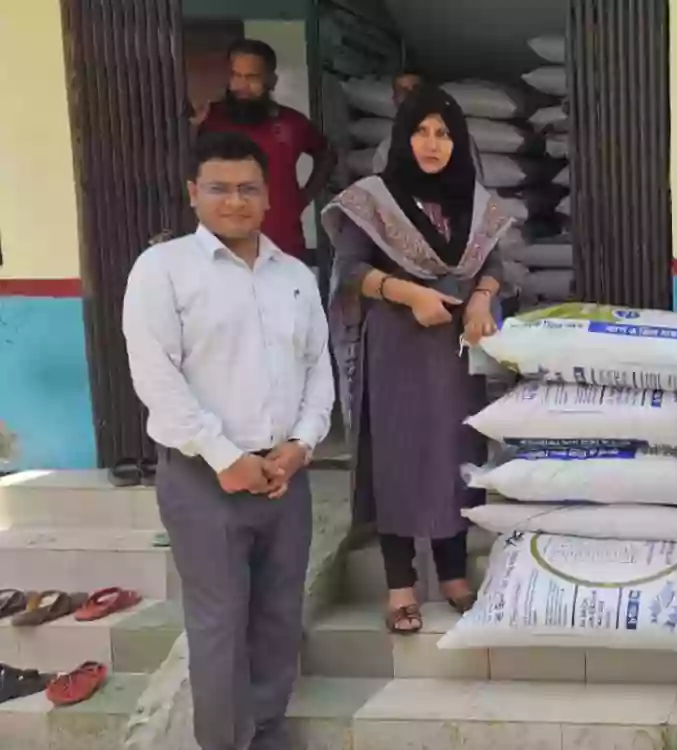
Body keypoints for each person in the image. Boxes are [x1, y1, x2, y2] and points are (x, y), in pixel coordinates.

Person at [123, 131, 334, 750]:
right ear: (194, 194)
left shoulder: (293, 275)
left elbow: (318, 367)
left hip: (284, 478)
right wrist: (225, 457)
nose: (234, 201)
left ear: (269, 197)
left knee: (277, 620)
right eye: (219, 188)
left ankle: (266, 734)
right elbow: (156, 377)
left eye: (247, 189)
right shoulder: (162, 270)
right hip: (203, 479)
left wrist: (302, 443)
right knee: (219, 626)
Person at [321, 84, 513, 634]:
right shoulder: (373, 199)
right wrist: (411, 294)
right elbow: (349, 272)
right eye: (422, 131)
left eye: (444, 133)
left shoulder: (474, 203)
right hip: (397, 347)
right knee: (398, 458)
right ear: (403, 137)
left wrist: (480, 298)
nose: (433, 143)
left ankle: (453, 576)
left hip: (455, 354)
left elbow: (495, 264)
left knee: (455, 453)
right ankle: (400, 584)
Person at [196, 38, 337, 264]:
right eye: (235, 75)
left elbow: (327, 154)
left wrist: (303, 198)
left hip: (283, 245)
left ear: (271, 80)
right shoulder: (209, 120)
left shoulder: (293, 124)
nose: (242, 86)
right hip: (221, 248)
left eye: (252, 77)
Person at [371, 70, 423, 174]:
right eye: (401, 90)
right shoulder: (386, 150)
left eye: (415, 89)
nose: (408, 94)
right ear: (394, 99)